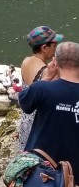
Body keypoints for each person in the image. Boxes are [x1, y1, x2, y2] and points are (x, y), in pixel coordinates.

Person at [19, 41, 79, 174]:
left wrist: (46, 77)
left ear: (55, 63)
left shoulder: (42, 89)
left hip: (44, 173)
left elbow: (24, 102)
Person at [17, 26, 64, 149]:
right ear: (44, 48)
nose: (56, 48)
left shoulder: (26, 61)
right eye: (54, 45)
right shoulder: (46, 73)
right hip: (39, 127)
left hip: (25, 124)